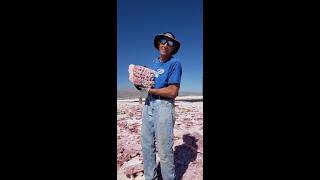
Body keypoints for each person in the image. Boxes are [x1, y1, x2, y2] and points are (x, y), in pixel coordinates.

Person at [138, 32, 182, 180]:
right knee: (147, 143)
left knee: (164, 149)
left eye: (170, 43)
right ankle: (150, 177)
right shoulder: (154, 62)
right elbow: (150, 84)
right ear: (158, 44)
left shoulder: (175, 63)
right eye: (163, 41)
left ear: (173, 48)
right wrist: (141, 84)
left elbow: (173, 91)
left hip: (164, 106)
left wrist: (150, 90)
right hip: (149, 104)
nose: (165, 44)